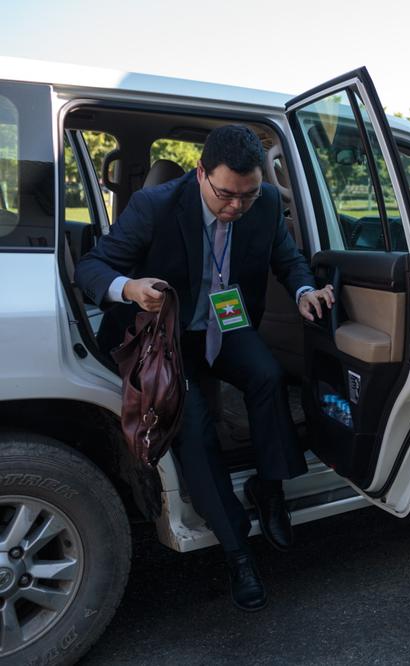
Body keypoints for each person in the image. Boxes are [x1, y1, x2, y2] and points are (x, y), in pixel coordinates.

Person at [75, 124, 334, 612]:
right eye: (225, 195)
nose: (236, 207)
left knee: (267, 376)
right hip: (166, 335)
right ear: (200, 174)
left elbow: (288, 259)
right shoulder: (156, 205)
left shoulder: (264, 204)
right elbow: (90, 268)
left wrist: (304, 291)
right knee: (192, 422)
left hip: (226, 320)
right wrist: (129, 289)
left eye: (247, 195)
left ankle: (269, 487)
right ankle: (237, 551)